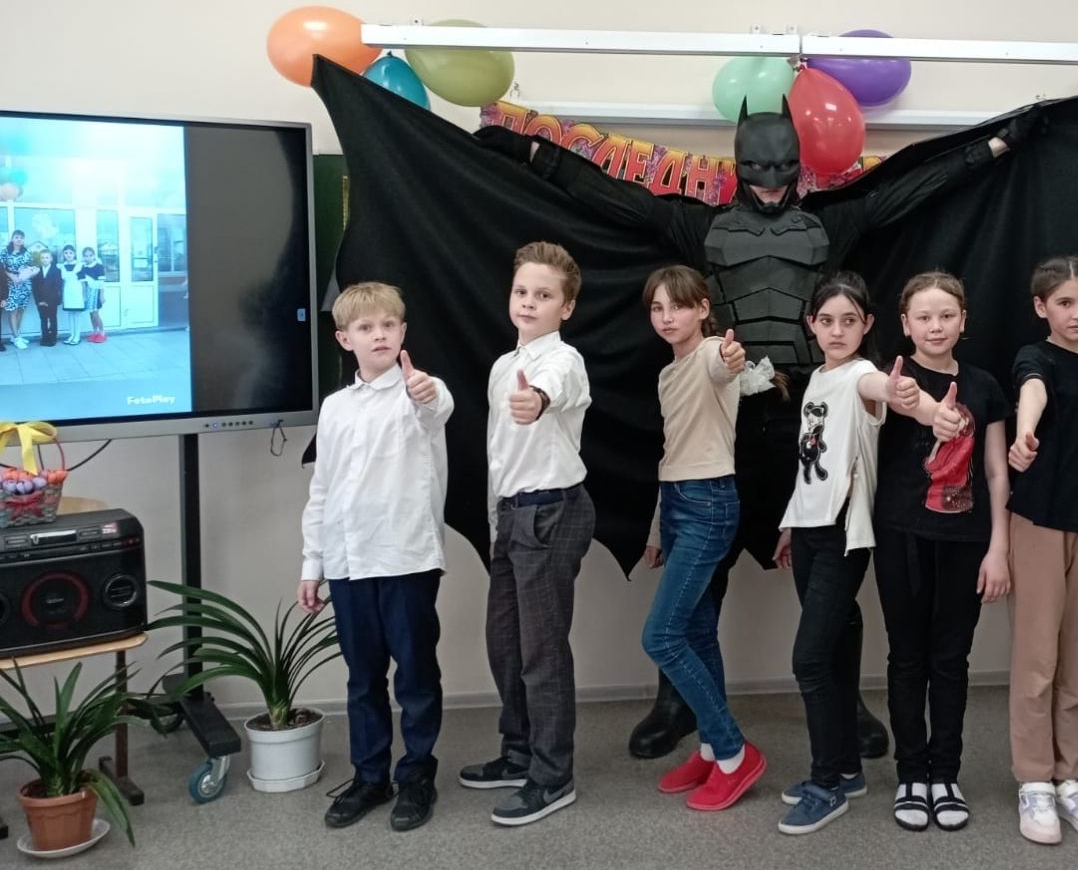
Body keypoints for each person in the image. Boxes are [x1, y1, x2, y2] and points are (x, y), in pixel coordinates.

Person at [474, 101, 1017, 761]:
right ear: (737, 163)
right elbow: (613, 198)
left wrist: (991, 148)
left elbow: (908, 192)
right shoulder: (698, 225)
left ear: (798, 164)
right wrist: (532, 153)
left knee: (826, 566)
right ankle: (678, 701)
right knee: (698, 569)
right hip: (721, 417)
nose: (769, 181)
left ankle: (843, 699)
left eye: (781, 166)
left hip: (806, 417)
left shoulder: (831, 224)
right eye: (757, 166)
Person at [771, 272, 954, 836]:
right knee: (834, 650)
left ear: (867, 324)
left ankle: (826, 783)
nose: (837, 331)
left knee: (809, 662)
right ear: (811, 324)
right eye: (826, 321)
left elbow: (893, 392)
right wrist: (790, 524)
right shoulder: (817, 380)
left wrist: (926, 408)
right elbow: (813, 464)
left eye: (849, 321)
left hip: (841, 537)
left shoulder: (860, 376)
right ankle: (847, 769)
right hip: (807, 531)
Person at [299, 281, 452, 832]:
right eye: (366, 327)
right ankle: (370, 777)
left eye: (389, 324)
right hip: (348, 561)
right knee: (362, 678)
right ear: (346, 339)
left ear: (403, 331)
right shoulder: (335, 408)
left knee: (415, 674)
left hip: (406, 557)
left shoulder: (420, 392)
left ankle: (417, 775)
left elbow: (437, 408)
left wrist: (424, 392)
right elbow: (323, 488)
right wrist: (312, 564)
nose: (379, 334)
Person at [459, 241, 596, 828]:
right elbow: (499, 451)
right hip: (512, 516)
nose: (529, 302)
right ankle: (519, 753)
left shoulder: (564, 360)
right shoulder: (501, 366)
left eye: (543, 295)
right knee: (505, 643)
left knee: (542, 651)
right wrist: (497, 521)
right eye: (522, 291)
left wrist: (536, 399)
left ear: (566, 307)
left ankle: (553, 774)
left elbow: (553, 387)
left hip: (552, 513)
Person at [871, 271, 1011, 833]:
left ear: (963, 321)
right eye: (924, 317)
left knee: (951, 660)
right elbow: (873, 400)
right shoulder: (890, 379)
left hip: (966, 540)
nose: (936, 326)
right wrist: (905, 400)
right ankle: (911, 772)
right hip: (900, 537)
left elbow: (996, 472)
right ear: (905, 324)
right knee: (907, 657)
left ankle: (945, 773)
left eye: (946, 315)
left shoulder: (984, 385)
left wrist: (999, 547)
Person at [1005, 257, 1078, 847]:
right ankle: (1034, 780)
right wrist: (1025, 432)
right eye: (1065, 303)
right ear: (1041, 307)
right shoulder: (1036, 357)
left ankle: (1072, 777)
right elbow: (1032, 390)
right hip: (1041, 521)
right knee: (1037, 660)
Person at [640, 265, 767, 811]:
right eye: (657, 308)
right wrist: (657, 526)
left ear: (703, 309)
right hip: (676, 503)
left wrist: (730, 356)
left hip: (709, 503)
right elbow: (671, 450)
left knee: (661, 637)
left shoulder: (713, 353)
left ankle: (735, 752)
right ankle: (713, 749)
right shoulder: (667, 375)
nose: (667, 317)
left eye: (679, 306)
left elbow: (725, 363)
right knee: (696, 631)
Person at [2, 230, 37, 350]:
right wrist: (11, 276)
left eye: (21, 237)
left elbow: (32, 266)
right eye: (16, 237)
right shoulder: (5, 252)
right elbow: (2, 268)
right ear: (12, 239)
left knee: (21, 310)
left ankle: (15, 335)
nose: (19, 239)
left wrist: (30, 272)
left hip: (24, 285)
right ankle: (17, 338)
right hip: (12, 285)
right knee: (13, 311)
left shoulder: (27, 252)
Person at [31, 248, 62, 347]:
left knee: (52, 318)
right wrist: (39, 301)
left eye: (47, 257)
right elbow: (34, 287)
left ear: (51, 259)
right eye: (42, 258)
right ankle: (44, 337)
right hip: (40, 301)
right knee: (43, 319)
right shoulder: (37, 271)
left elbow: (57, 287)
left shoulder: (56, 271)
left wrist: (48, 301)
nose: (44, 259)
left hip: (52, 301)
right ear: (40, 259)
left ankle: (53, 337)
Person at [58, 245, 86, 345]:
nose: (68, 255)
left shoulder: (80, 266)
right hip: (67, 292)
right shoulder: (62, 266)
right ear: (63, 254)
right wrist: (62, 295)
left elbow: (83, 283)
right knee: (70, 314)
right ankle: (71, 335)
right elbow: (62, 282)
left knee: (77, 314)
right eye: (66, 253)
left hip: (77, 292)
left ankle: (77, 336)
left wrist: (84, 296)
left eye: (70, 253)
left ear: (74, 254)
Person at [78, 245, 107, 343]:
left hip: (96, 293)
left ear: (94, 256)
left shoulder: (99, 267)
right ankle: (95, 332)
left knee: (95, 314)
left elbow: (101, 283)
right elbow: (83, 283)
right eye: (86, 256)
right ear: (83, 257)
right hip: (88, 293)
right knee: (91, 313)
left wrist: (102, 296)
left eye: (90, 255)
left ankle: (102, 333)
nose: (88, 258)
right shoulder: (83, 268)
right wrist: (84, 296)